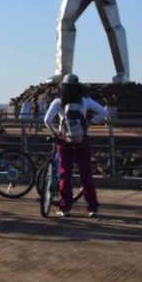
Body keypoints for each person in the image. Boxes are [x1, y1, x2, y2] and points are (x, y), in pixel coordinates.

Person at [43, 74, 108, 217]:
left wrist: (55, 133)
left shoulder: (58, 101)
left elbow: (47, 119)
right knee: (86, 173)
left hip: (64, 139)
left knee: (65, 172)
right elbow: (104, 113)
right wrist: (91, 122)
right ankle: (92, 207)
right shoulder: (85, 100)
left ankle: (65, 207)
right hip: (81, 138)